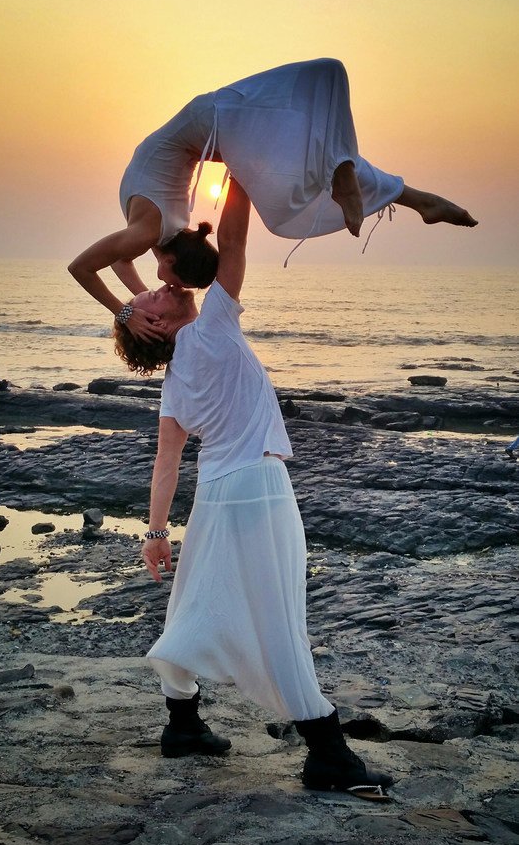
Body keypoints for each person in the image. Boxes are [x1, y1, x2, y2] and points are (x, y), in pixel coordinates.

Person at [114, 178, 394, 802]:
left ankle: (182, 726)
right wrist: (239, 173)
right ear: (157, 330)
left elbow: (167, 461)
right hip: (257, 488)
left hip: (218, 493)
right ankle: (327, 753)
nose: (159, 291)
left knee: (194, 601)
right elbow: (234, 243)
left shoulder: (175, 378)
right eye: (151, 302)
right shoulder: (209, 327)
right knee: (279, 619)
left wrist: (156, 535)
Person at [70, 58, 477, 342]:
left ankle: (346, 176)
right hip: (219, 131)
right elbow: (120, 262)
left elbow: (81, 267)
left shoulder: (148, 231)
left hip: (216, 118)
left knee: (325, 80)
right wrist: (143, 307)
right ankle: (413, 198)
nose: (168, 288)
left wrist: (124, 312)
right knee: (297, 164)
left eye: (172, 283)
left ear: (173, 260)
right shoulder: (153, 237)